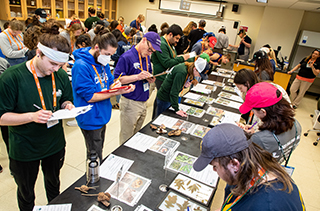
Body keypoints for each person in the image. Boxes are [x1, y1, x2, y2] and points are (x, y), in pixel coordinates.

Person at [0, 31, 74, 210]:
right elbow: (2, 117)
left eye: (60, 65)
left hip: (54, 144)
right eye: (53, 63)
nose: (56, 69)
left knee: (54, 185)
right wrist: (31, 117)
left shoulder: (60, 75)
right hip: (25, 148)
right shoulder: (12, 77)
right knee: (26, 192)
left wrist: (67, 105)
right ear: (38, 53)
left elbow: (65, 98)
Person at [193, 123, 305, 211]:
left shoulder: (266, 206)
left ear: (234, 164)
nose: (214, 170)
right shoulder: (252, 167)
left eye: (215, 166)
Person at [72, 32, 135, 161]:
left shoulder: (102, 62)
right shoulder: (81, 66)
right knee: (94, 156)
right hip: (90, 117)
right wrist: (115, 92)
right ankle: (93, 179)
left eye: (111, 55)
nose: (109, 58)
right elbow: (90, 97)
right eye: (107, 54)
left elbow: (110, 82)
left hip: (102, 114)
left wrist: (117, 86)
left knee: (98, 149)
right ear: (96, 48)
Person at [238, 82, 301, 164]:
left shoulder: (259, 139)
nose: (254, 113)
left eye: (253, 111)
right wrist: (256, 132)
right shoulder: (297, 125)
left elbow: (244, 161)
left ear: (263, 112)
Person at [114, 32, 160, 144]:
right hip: (130, 102)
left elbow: (145, 74)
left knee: (136, 135)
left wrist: (149, 78)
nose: (150, 53)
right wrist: (137, 77)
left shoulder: (146, 57)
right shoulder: (126, 57)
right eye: (150, 49)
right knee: (127, 136)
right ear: (144, 40)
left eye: (152, 52)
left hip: (143, 101)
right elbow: (118, 80)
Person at [152, 24, 190, 91]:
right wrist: (182, 58)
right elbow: (167, 63)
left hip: (166, 75)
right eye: (177, 38)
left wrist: (179, 57)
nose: (177, 41)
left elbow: (172, 57)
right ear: (170, 34)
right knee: (162, 99)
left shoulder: (169, 43)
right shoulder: (162, 44)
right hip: (161, 76)